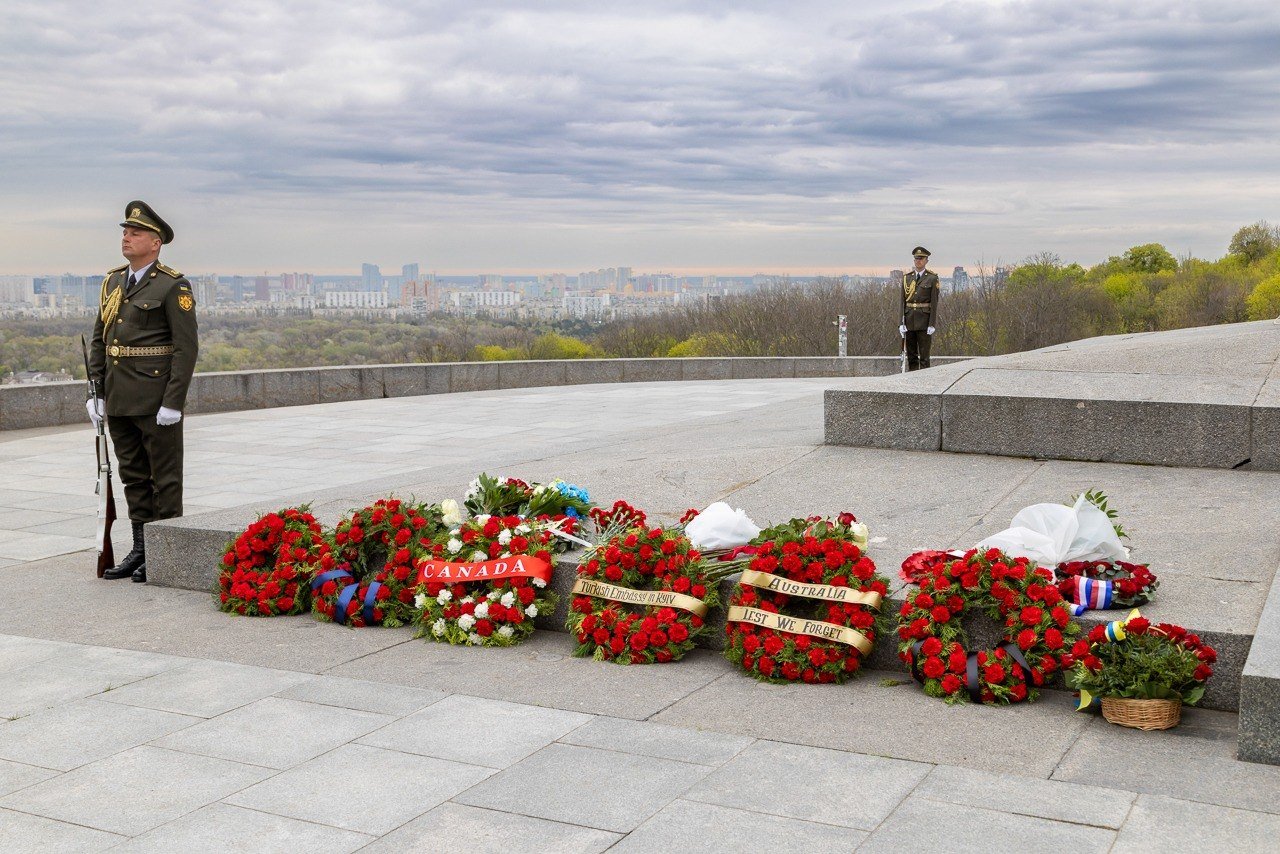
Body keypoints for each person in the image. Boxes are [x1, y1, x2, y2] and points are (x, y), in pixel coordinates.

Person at [86, 201, 198, 582]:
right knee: (133, 476)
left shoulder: (172, 285)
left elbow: (186, 348)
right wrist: (96, 392)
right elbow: (100, 341)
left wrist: (173, 402)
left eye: (135, 233)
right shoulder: (113, 282)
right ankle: (141, 548)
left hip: (155, 399)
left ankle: (166, 553)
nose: (126, 237)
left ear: (155, 243)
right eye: (125, 232)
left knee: (164, 480)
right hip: (119, 398)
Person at [898, 245, 939, 371]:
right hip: (909, 319)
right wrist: (901, 322)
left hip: (924, 321)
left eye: (921, 259)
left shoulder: (932, 278)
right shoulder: (907, 278)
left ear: (926, 261)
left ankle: (925, 380)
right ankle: (913, 379)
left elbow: (934, 302)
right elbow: (902, 302)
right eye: (916, 258)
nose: (918, 261)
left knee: (924, 357)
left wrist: (932, 324)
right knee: (911, 356)